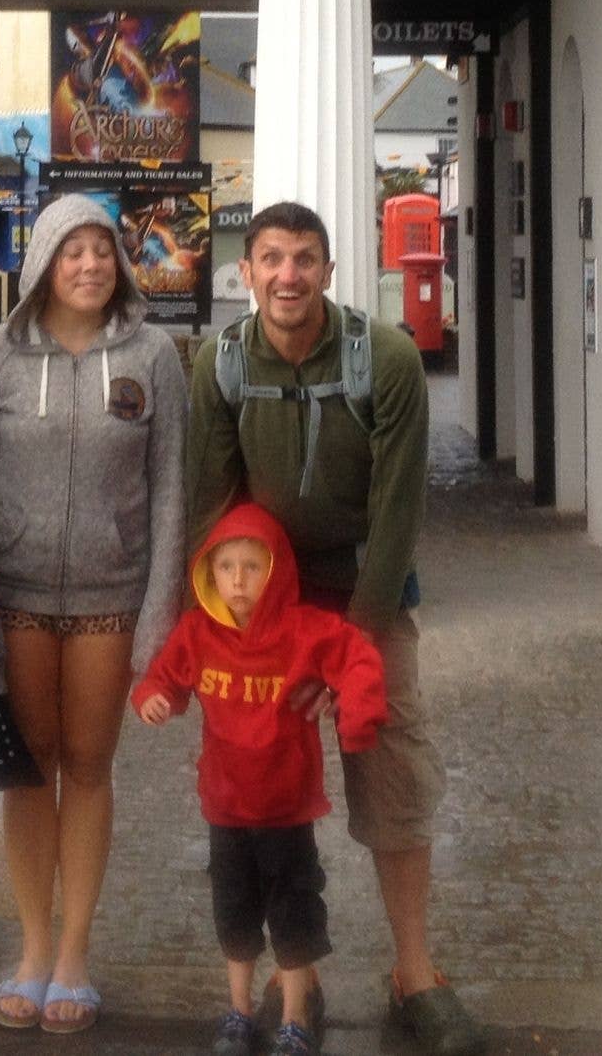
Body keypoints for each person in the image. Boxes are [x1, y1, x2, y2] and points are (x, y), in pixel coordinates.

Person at [185, 200, 484, 1056]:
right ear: (247, 273)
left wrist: (346, 652)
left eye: (305, 258)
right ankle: (296, 984)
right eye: (271, 258)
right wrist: (213, 629)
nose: (288, 275)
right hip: (260, 603)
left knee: (394, 773)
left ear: (329, 268)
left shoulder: (384, 358)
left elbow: (397, 515)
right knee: (264, 790)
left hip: (366, 588)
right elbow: (209, 499)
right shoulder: (222, 363)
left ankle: (414, 971)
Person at [0, 192, 187, 1033]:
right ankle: (31, 948)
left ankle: (76, 954)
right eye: (70, 249)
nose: (88, 265)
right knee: (29, 765)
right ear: (43, 262)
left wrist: (161, 615)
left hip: (109, 594)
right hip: (14, 594)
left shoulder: (154, 355)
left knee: (88, 764)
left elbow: (171, 492)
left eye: (101, 249)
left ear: (119, 261)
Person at [133, 502, 389, 1056]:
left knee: (294, 915)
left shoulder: (302, 629)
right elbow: (165, 676)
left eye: (253, 566)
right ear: (210, 573)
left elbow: (359, 657)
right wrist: (153, 697)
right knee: (234, 914)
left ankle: (296, 1015)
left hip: (288, 810)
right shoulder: (198, 631)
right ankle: (238, 1010)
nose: (239, 580)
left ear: (276, 572)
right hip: (224, 808)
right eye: (227, 567)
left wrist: (359, 716)